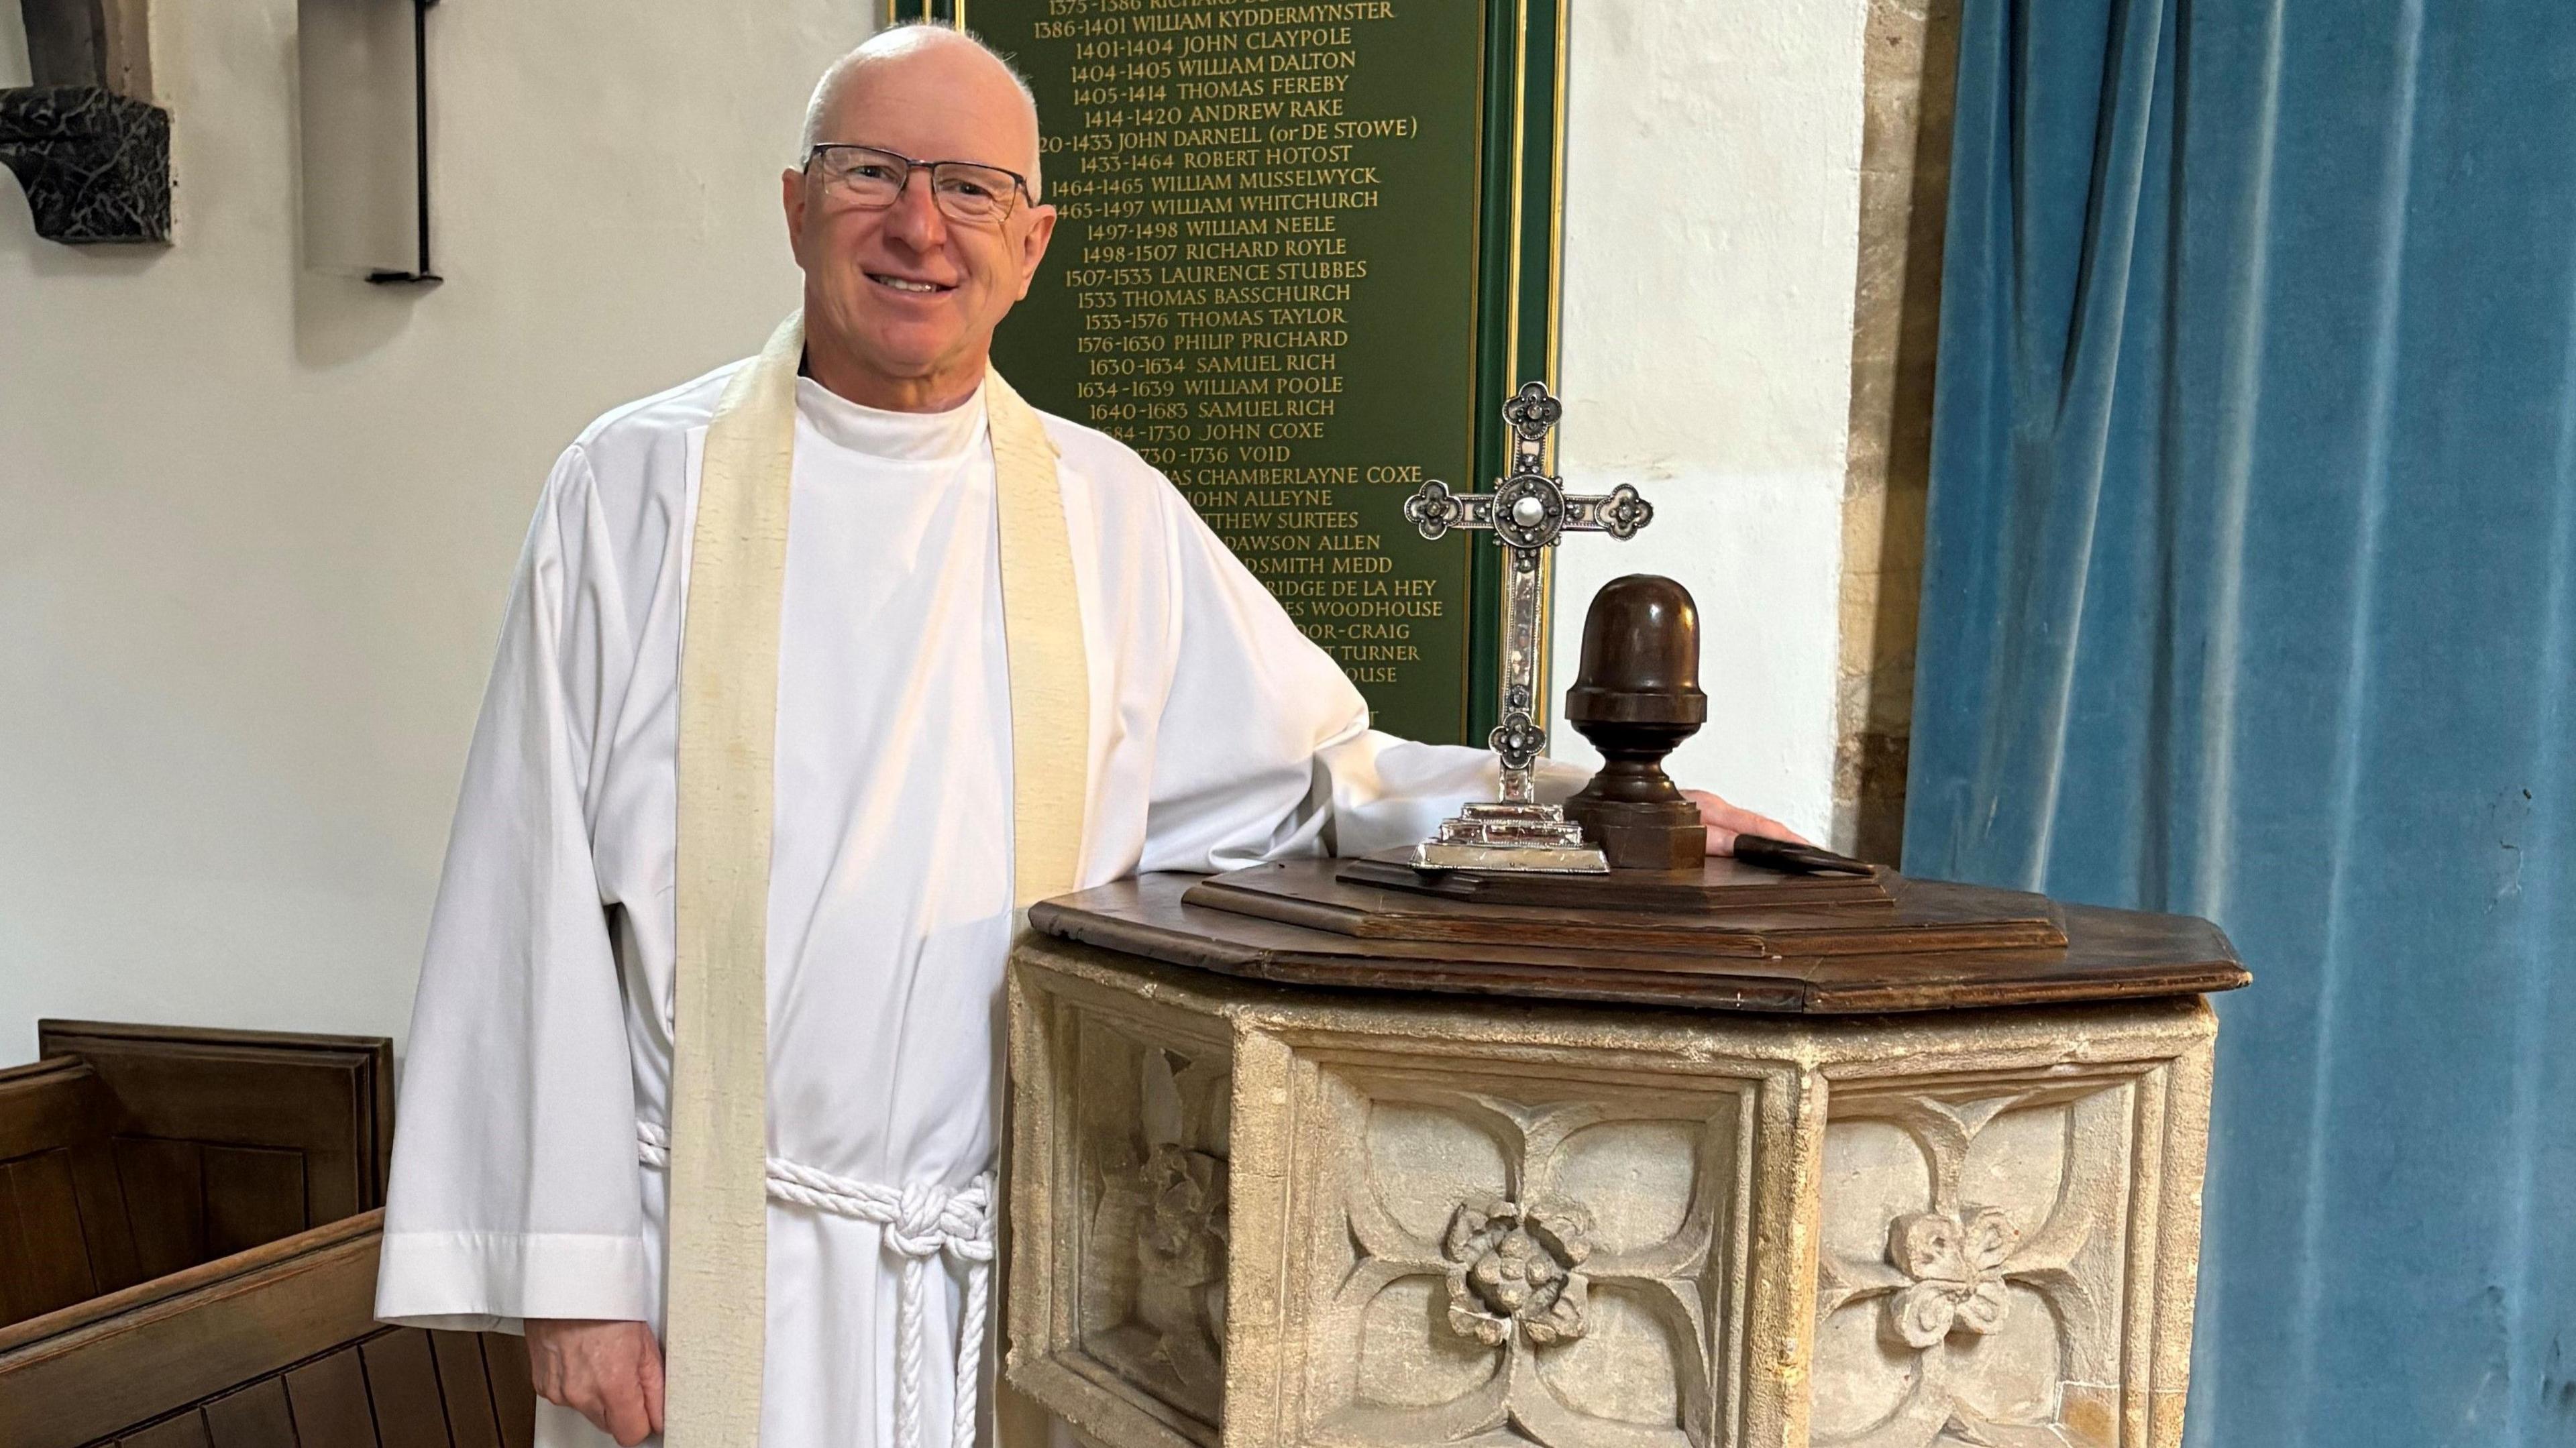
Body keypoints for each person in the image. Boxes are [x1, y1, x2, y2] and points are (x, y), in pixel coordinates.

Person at [373, 23, 1794, 1448]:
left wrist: (1581, 803)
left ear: (1033, 240)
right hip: (709, 1265)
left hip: (1012, 1273)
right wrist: (577, 1288)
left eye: (971, 188)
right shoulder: (636, 490)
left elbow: (1318, 784)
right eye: (871, 172)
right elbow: (529, 888)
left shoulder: (1107, 512)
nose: (919, 225)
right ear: (796, 205)